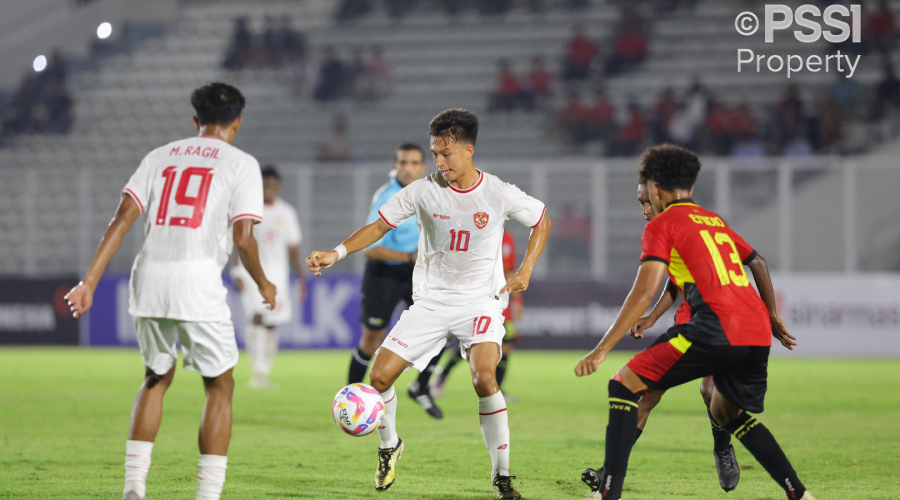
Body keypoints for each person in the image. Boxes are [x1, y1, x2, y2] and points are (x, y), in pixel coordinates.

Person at [307, 109, 551, 499]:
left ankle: (502, 477)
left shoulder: (497, 192)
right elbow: (379, 226)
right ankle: (389, 447)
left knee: (484, 378)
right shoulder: (422, 190)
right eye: (435, 152)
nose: (440, 161)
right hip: (431, 303)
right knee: (379, 377)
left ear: (469, 151)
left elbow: (541, 220)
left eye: (447, 153)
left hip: (481, 303)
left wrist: (525, 269)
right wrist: (337, 252)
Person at [63, 83, 275, 500]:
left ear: (195, 121)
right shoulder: (242, 163)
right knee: (219, 386)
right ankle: (207, 495)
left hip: (148, 278)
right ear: (238, 123)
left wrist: (89, 282)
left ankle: (134, 486)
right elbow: (245, 238)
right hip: (196, 281)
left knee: (155, 377)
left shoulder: (159, 156)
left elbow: (122, 218)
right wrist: (262, 281)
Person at [574, 144, 815, 500]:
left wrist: (601, 349)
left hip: (715, 326)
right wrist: (772, 317)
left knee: (623, 385)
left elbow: (644, 289)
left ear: (655, 190)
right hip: (756, 330)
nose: (645, 204)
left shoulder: (663, 224)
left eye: (644, 196)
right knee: (724, 411)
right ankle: (800, 494)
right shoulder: (712, 221)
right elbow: (754, 261)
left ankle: (607, 494)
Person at [345, 143, 444, 419]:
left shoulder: (432, 194)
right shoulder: (386, 196)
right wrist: (410, 256)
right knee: (372, 338)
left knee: (439, 329)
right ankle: (351, 397)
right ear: (395, 165)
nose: (408, 168)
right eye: (403, 162)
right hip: (384, 273)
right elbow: (370, 247)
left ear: (423, 167)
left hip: (418, 273)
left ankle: (420, 387)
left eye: (414, 163)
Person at [231, 166, 306, 389]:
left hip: (278, 273)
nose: (269, 189)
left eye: (272, 185)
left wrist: (301, 279)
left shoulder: (287, 212)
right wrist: (236, 271)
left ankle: (264, 372)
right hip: (251, 270)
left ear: (279, 186)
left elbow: (293, 249)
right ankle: (257, 372)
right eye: (264, 185)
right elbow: (238, 242)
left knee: (273, 322)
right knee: (257, 316)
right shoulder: (247, 210)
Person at [431, 229, 523, 403]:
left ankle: (498, 389)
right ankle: (441, 378)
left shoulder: (508, 238)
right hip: (478, 297)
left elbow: (509, 271)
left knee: (507, 343)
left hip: (501, 299)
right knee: (470, 345)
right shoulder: (476, 234)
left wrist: (517, 299)